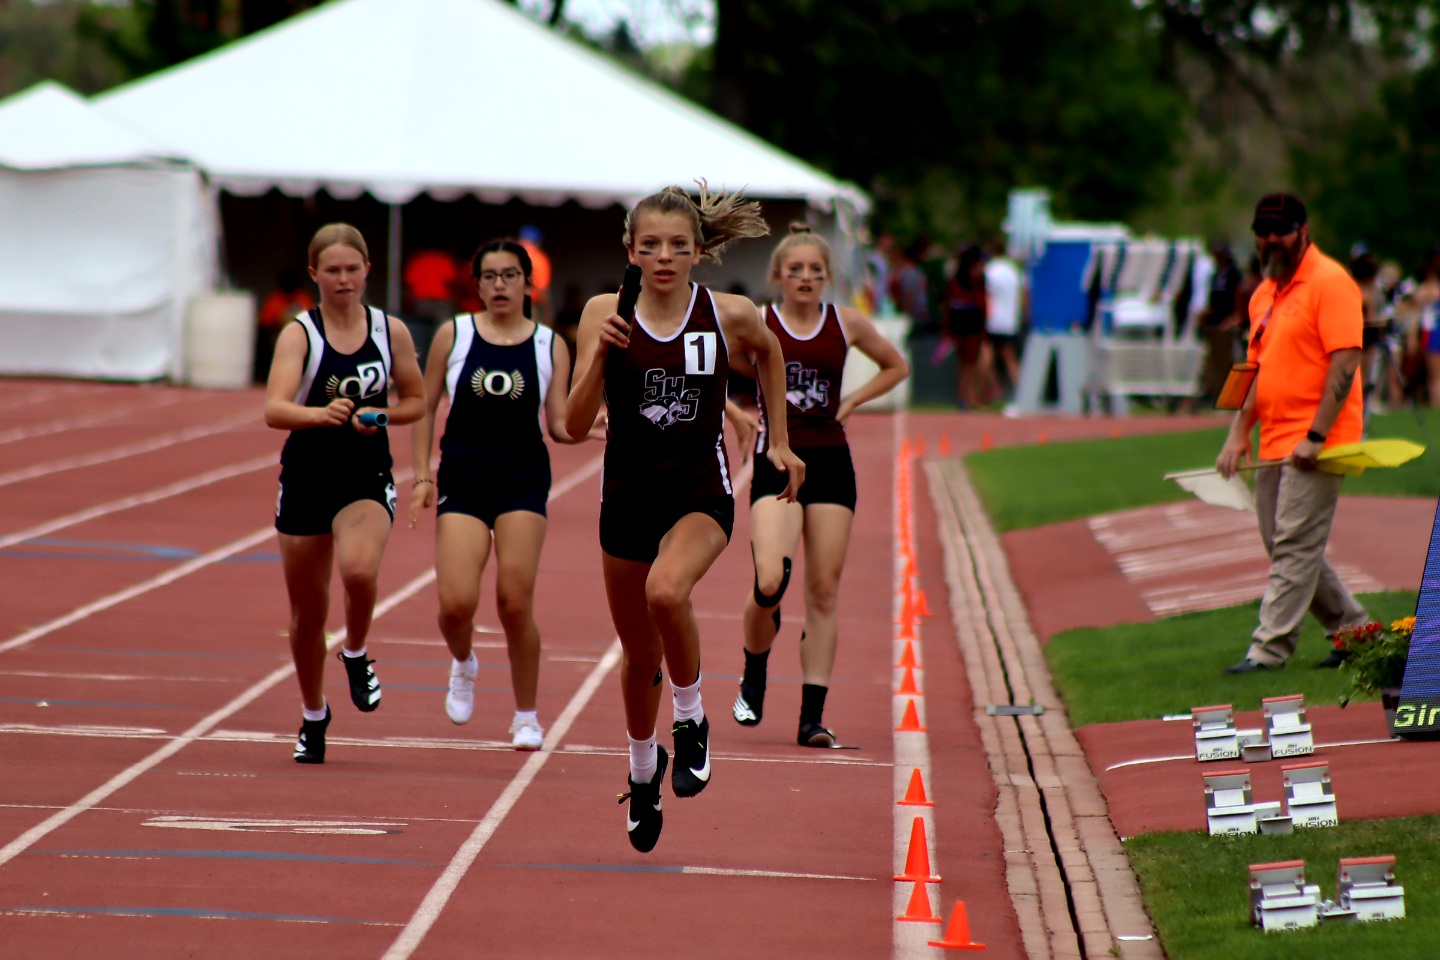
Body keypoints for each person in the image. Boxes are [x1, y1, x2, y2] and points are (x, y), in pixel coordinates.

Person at [563, 182, 804, 852]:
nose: (663, 256)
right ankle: (644, 773)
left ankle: (691, 716)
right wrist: (600, 360)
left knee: (666, 592)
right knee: (638, 655)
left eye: (677, 245)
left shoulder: (726, 314)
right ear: (631, 251)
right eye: (650, 245)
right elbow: (571, 426)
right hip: (627, 501)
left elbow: (771, 354)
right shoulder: (600, 314)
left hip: (700, 493)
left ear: (699, 251)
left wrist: (778, 440)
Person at [729, 224, 909, 747]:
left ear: (828, 277)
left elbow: (896, 365)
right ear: (778, 276)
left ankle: (812, 718)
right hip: (777, 461)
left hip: (831, 464)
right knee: (770, 580)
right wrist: (738, 410)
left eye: (816, 271)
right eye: (796, 270)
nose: (806, 278)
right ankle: (755, 669)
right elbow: (710, 358)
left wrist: (851, 402)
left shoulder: (846, 322)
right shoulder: (758, 321)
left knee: (824, 592)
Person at [409, 238, 589, 750]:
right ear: (477, 285)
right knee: (455, 605)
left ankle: (526, 715)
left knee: (514, 601)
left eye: (510, 275)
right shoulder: (454, 335)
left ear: (527, 282)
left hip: (522, 481)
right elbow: (423, 406)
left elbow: (558, 423)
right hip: (464, 478)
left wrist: (590, 427)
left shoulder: (549, 344)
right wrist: (422, 474)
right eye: (489, 277)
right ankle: (464, 661)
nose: (500, 286)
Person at [264, 223, 426, 762]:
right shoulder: (300, 334)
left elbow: (415, 401)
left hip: (364, 475)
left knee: (358, 571)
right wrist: (320, 414)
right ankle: (314, 715)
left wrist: (376, 415)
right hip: (308, 476)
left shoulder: (389, 331)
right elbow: (275, 408)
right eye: (331, 270)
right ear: (314, 274)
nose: (343, 279)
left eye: (351, 269)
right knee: (306, 617)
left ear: (367, 271)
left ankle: (355, 651)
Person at [1217, 194, 1369, 675]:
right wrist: (1236, 432)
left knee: (1294, 545)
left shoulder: (1331, 283)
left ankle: (1268, 650)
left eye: (1279, 230)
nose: (1269, 240)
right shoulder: (1265, 292)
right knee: (1281, 541)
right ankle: (1356, 633)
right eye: (1262, 231)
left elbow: (1345, 361)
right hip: (1275, 440)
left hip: (1319, 440)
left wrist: (1318, 436)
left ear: (1303, 230)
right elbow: (1251, 370)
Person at [942, 244, 989, 408]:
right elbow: (981, 300)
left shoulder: (956, 277)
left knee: (962, 361)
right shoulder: (977, 277)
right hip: (972, 317)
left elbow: (948, 299)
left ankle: (963, 395)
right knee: (970, 362)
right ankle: (964, 396)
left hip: (957, 317)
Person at [1198, 243, 1243, 406]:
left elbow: (1238, 298)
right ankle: (1215, 394)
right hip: (1215, 326)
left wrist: (1233, 319)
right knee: (1214, 361)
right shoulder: (1216, 275)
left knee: (1230, 360)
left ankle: (1232, 396)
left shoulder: (1233, 275)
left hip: (1228, 326)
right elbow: (1213, 301)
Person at [403, 247, 460, 367]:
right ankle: (445, 367)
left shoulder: (418, 260)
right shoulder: (443, 259)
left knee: (421, 338)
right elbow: (452, 283)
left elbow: (408, 286)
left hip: (421, 303)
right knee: (446, 336)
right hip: (440, 303)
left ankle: (424, 366)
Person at [983, 241, 1023, 402]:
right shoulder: (1014, 271)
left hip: (992, 319)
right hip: (1009, 320)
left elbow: (985, 295)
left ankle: (992, 389)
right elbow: (1022, 294)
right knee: (1010, 357)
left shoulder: (990, 271)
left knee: (986, 355)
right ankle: (1020, 390)